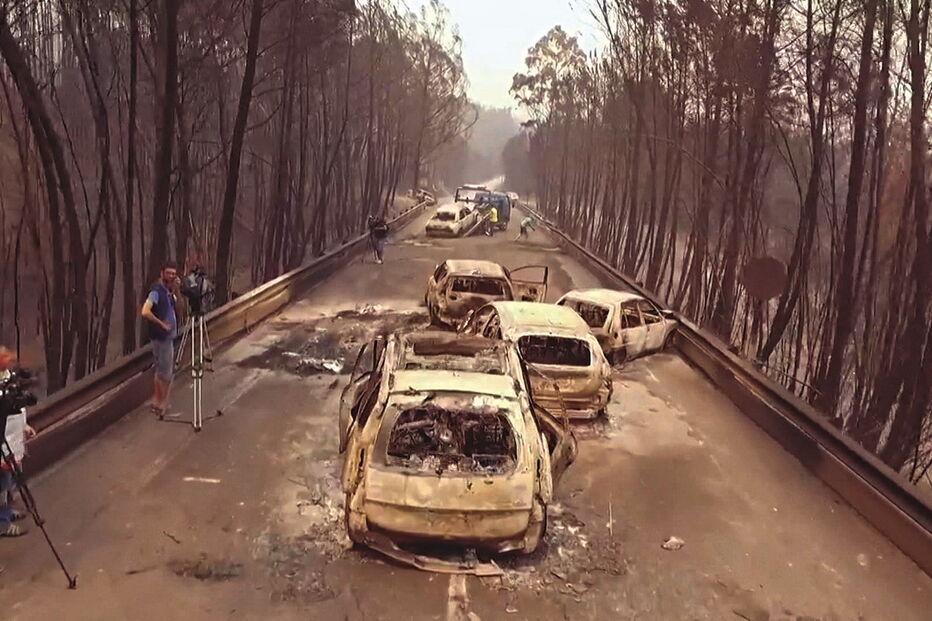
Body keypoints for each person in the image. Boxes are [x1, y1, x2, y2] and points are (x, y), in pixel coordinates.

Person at [0, 347, 35, 538]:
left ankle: (6, 512)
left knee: (9, 483)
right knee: (2, 486)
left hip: (13, 442)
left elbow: (16, 410)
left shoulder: (9, 380)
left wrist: (25, 426)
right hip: (3, 446)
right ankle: (2, 523)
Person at [141, 263, 178, 415]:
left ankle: (156, 401)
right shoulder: (156, 291)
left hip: (162, 336)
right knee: (166, 373)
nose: (171, 276)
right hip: (163, 337)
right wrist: (161, 323)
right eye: (168, 273)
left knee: (159, 370)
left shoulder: (168, 292)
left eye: (173, 274)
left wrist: (176, 290)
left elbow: (178, 307)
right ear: (162, 273)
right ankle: (163, 403)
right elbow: (145, 311)